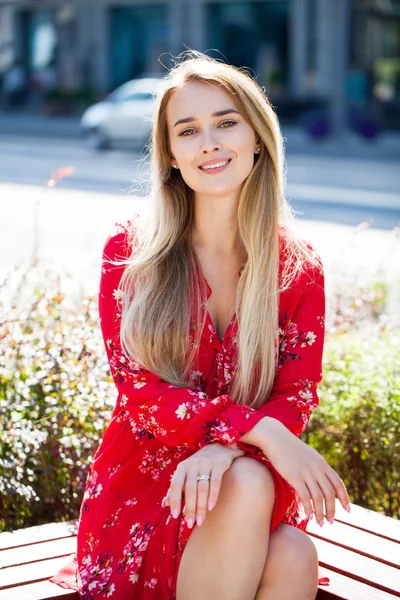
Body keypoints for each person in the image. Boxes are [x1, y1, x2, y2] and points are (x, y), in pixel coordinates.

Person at [51, 50, 350, 599]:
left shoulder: (297, 268)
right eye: (187, 130)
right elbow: (140, 393)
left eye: (226, 122)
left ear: (257, 137)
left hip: (244, 479)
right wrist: (257, 433)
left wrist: (225, 446)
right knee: (269, 509)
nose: (209, 142)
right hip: (147, 487)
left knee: (293, 550)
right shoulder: (131, 253)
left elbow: (297, 394)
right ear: (170, 155)